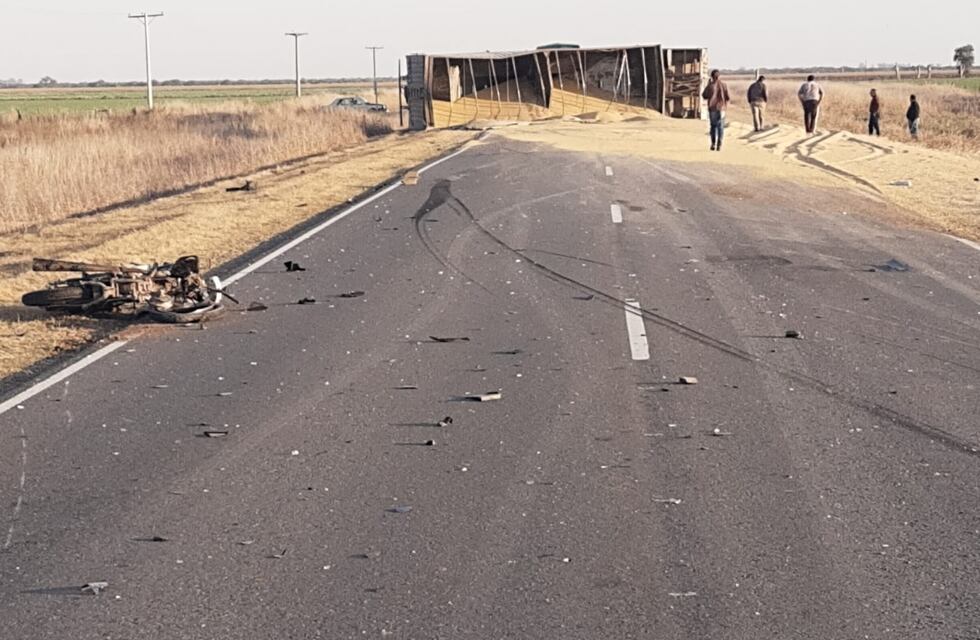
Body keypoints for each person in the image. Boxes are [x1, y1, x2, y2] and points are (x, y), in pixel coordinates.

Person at [701, 69, 731, 151]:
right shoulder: (724, 85)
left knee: (713, 126)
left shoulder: (710, 85)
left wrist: (708, 85)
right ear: (719, 76)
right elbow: (728, 97)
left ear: (712, 76)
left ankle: (713, 144)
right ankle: (719, 145)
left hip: (713, 108)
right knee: (720, 127)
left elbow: (704, 95)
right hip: (722, 108)